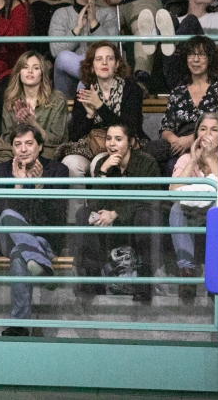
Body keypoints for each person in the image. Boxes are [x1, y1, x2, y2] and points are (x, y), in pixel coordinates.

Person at [0, 124, 68, 336]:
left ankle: (19, 325)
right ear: (12, 147)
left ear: (40, 146)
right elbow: (0, 212)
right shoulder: (1, 170)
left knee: (19, 254)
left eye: (29, 143)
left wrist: (40, 188)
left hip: (43, 238)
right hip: (7, 237)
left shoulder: (57, 170)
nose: (23, 149)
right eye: (17, 144)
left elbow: (57, 216)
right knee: (7, 214)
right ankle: (42, 263)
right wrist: (18, 186)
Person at [72, 122, 163, 304]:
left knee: (146, 215)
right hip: (107, 220)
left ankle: (144, 282)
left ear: (131, 142)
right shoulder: (102, 163)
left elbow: (148, 200)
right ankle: (92, 277)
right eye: (108, 138)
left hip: (133, 220)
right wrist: (103, 172)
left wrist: (115, 213)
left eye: (118, 139)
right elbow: (95, 203)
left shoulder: (146, 163)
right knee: (84, 214)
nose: (112, 144)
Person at [60, 42, 147, 180]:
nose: (104, 63)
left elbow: (130, 127)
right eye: (99, 59)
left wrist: (100, 106)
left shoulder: (131, 90)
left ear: (117, 64)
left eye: (110, 58)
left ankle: (102, 195)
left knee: (99, 163)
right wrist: (89, 116)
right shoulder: (84, 94)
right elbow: (76, 136)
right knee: (70, 163)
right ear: (92, 67)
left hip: (123, 146)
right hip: (90, 148)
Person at [168, 111, 218, 302]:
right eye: (203, 129)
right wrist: (193, 160)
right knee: (176, 209)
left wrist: (210, 159)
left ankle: (216, 274)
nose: (208, 134)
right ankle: (186, 272)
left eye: (214, 130)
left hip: (216, 214)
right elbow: (173, 191)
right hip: (190, 213)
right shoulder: (185, 159)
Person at [152, 35, 218, 172]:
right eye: (191, 54)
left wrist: (192, 140)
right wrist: (174, 140)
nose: (195, 59)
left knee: (172, 165)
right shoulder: (178, 91)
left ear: (210, 59)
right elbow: (166, 128)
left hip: (211, 145)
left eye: (202, 55)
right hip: (179, 145)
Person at [49, 0, 121, 99]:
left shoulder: (108, 14)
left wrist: (94, 22)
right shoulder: (61, 14)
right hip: (68, 80)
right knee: (63, 56)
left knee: (85, 83)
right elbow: (56, 52)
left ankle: (90, 80)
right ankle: (91, 76)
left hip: (101, 76)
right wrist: (77, 29)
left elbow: (112, 49)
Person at [0, 51, 69, 161]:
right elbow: (6, 139)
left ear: (42, 73)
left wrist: (33, 124)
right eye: (25, 67)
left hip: (47, 152)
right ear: (19, 72)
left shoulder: (57, 99)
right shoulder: (11, 100)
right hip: (17, 153)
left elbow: (58, 140)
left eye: (36, 68)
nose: (30, 71)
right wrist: (20, 126)